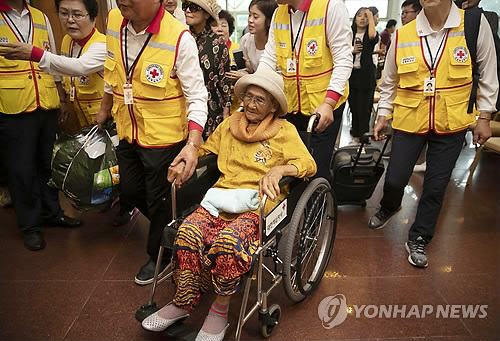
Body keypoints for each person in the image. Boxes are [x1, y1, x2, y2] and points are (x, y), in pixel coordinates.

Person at [141, 69, 316, 341]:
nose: (251, 104)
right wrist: (189, 156)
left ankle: (220, 310)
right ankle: (183, 302)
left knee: (228, 244)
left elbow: (308, 165)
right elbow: (207, 152)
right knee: (187, 233)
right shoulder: (228, 125)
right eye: (248, 97)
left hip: (258, 205)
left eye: (261, 99)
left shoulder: (286, 132)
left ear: (273, 106)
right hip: (221, 197)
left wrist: (281, 169)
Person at [369, 0, 498, 268]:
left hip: (450, 122)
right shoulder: (404, 33)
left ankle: (419, 237)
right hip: (409, 118)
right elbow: (390, 80)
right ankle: (390, 206)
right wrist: (383, 115)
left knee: (436, 186)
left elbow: (487, 73)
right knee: (395, 178)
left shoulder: (472, 24)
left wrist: (484, 117)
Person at [94, 0, 208, 285]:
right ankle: (177, 221)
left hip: (164, 136)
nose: (123, 1)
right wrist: (105, 106)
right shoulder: (113, 21)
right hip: (128, 129)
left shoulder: (179, 37)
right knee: (131, 191)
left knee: (158, 200)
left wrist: (192, 144)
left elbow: (197, 95)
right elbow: (113, 70)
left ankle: (160, 255)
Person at [0, 0, 139, 226]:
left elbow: (79, 67)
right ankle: (107, 198)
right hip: (84, 119)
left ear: (93, 17)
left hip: (108, 119)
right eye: (64, 14)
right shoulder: (67, 41)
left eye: (77, 14)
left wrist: (35, 54)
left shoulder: (101, 45)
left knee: (116, 165)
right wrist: (63, 100)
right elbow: (64, 73)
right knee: (96, 165)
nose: (70, 20)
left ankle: (127, 206)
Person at [0, 0, 82, 251]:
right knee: (21, 169)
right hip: (12, 105)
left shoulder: (40, 17)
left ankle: (52, 212)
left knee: (49, 163)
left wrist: (62, 97)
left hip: (45, 101)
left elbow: (52, 58)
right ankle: (31, 226)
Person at [257, 0, 353, 181]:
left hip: (323, 108)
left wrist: (328, 103)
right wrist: (255, 88)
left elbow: (343, 60)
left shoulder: (330, 8)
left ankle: (321, 206)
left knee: (316, 168)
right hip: (291, 105)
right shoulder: (279, 13)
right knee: (289, 165)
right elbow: (269, 58)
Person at [183, 0, 231, 139]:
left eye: (193, 8)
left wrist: (226, 113)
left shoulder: (218, 43)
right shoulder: (181, 39)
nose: (187, 11)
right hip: (184, 105)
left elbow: (224, 82)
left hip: (212, 107)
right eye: (185, 7)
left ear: (206, 15)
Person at [348, 7, 378, 143]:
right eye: (359, 15)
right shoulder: (349, 33)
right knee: (353, 107)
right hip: (352, 75)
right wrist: (351, 50)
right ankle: (355, 135)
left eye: (365, 16)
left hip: (366, 77)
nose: (362, 18)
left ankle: (364, 138)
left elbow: (372, 36)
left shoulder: (371, 34)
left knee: (364, 109)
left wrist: (371, 16)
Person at [229, 0, 278, 80]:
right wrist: (249, 71)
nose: (250, 20)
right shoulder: (245, 40)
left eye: (255, 17)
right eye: (249, 15)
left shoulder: (276, 43)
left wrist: (248, 76)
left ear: (269, 21)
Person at [210, 10, 241, 114]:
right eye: (215, 25)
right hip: (213, 104)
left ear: (230, 29)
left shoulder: (238, 49)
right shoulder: (206, 52)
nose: (219, 29)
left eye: (224, 25)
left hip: (237, 106)